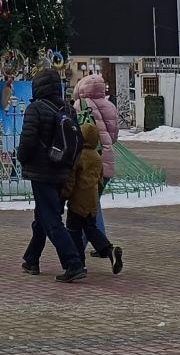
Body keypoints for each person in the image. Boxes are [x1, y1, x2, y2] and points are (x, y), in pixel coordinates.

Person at [16, 66, 86, 282]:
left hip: (41, 171)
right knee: (43, 216)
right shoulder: (68, 108)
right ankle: (31, 258)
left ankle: (73, 263)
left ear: (38, 86)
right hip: (62, 169)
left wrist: (22, 158)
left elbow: (28, 140)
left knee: (51, 219)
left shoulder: (36, 108)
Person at [62, 119, 123, 275]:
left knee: (74, 232)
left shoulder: (79, 156)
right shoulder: (97, 156)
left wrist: (64, 195)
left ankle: (78, 264)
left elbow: (71, 180)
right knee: (91, 229)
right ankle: (108, 250)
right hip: (92, 201)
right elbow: (100, 180)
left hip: (77, 202)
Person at [70, 72, 121, 254]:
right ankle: (99, 245)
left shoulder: (79, 105)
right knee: (93, 203)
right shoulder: (110, 106)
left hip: (86, 160)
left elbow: (75, 135)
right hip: (104, 161)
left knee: (89, 206)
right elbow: (114, 137)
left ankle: (100, 245)